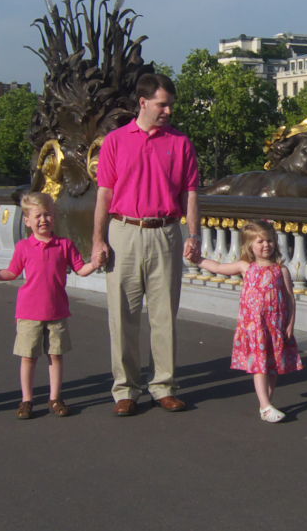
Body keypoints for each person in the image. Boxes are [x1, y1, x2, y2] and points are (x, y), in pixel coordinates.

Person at [90, 73, 202, 416]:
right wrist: (98, 239)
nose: (168, 110)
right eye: (162, 104)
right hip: (123, 231)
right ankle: (125, 388)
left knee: (164, 313)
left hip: (166, 231)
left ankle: (163, 385)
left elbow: (191, 194)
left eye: (170, 104)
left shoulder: (180, 142)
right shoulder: (115, 141)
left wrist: (194, 234)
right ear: (143, 102)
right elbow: (104, 195)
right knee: (122, 314)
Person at [0, 192, 95, 419]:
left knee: (56, 355)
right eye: (38, 216)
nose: (43, 220)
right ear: (27, 221)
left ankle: (55, 397)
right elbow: (11, 272)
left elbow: (81, 269)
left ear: (55, 217)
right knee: (28, 357)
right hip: (28, 312)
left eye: (48, 215)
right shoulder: (24, 247)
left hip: (57, 310)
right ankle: (27, 399)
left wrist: (96, 262)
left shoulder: (65, 245)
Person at [192, 220, 302, 423]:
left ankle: (267, 401)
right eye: (260, 241)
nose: (266, 245)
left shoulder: (281, 270)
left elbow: (290, 299)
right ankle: (265, 405)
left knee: (273, 366)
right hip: (254, 326)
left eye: (269, 241)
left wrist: (290, 324)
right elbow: (218, 267)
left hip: (275, 325)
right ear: (250, 245)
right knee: (259, 365)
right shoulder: (245, 267)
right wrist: (198, 260)